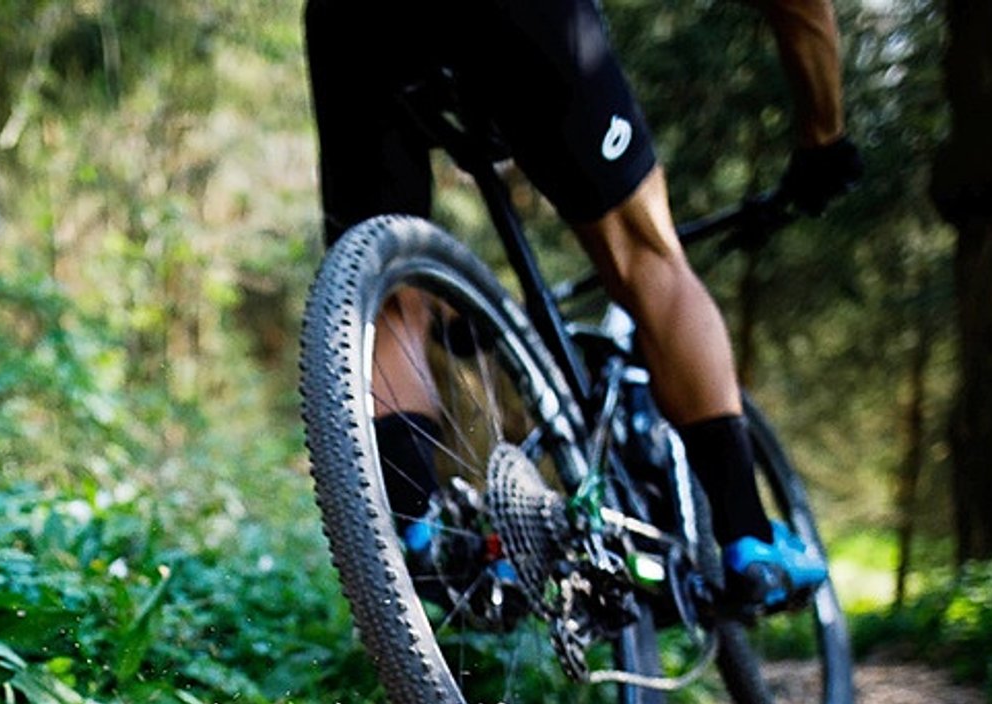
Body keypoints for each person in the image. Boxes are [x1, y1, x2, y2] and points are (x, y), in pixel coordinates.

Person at [303, 0, 861, 612]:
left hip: (349, 23)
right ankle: (749, 542)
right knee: (644, 254)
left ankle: (424, 537)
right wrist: (822, 141)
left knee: (390, 300)